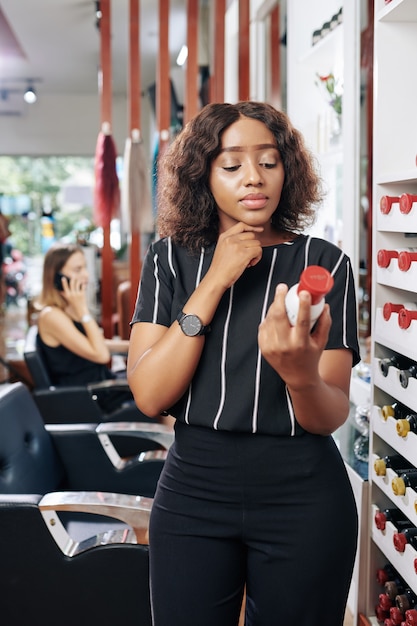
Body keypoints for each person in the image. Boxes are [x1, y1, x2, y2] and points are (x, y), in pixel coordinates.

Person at [127, 101, 361, 626]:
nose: (253, 178)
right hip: (193, 492)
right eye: (232, 165)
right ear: (203, 175)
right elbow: (149, 394)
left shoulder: (324, 264)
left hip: (304, 494)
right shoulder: (170, 258)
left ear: (288, 171)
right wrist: (214, 280)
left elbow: (328, 414)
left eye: (269, 161)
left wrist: (300, 375)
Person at [35, 242, 131, 413]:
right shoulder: (51, 316)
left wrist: (141, 348)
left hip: (102, 386)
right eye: (78, 270)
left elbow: (98, 344)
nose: (86, 275)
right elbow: (101, 355)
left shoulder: (67, 309)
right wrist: (83, 310)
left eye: (85, 268)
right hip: (89, 398)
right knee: (163, 391)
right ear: (57, 278)